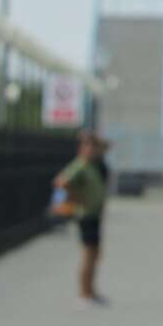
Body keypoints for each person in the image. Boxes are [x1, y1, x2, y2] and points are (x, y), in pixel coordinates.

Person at [52, 129, 113, 305]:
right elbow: (61, 182)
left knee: (95, 254)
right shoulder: (81, 165)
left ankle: (91, 291)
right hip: (85, 214)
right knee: (88, 254)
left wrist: (92, 137)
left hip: (95, 214)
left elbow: (107, 146)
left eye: (93, 146)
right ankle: (84, 293)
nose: (92, 149)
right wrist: (76, 197)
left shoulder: (95, 164)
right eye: (88, 146)